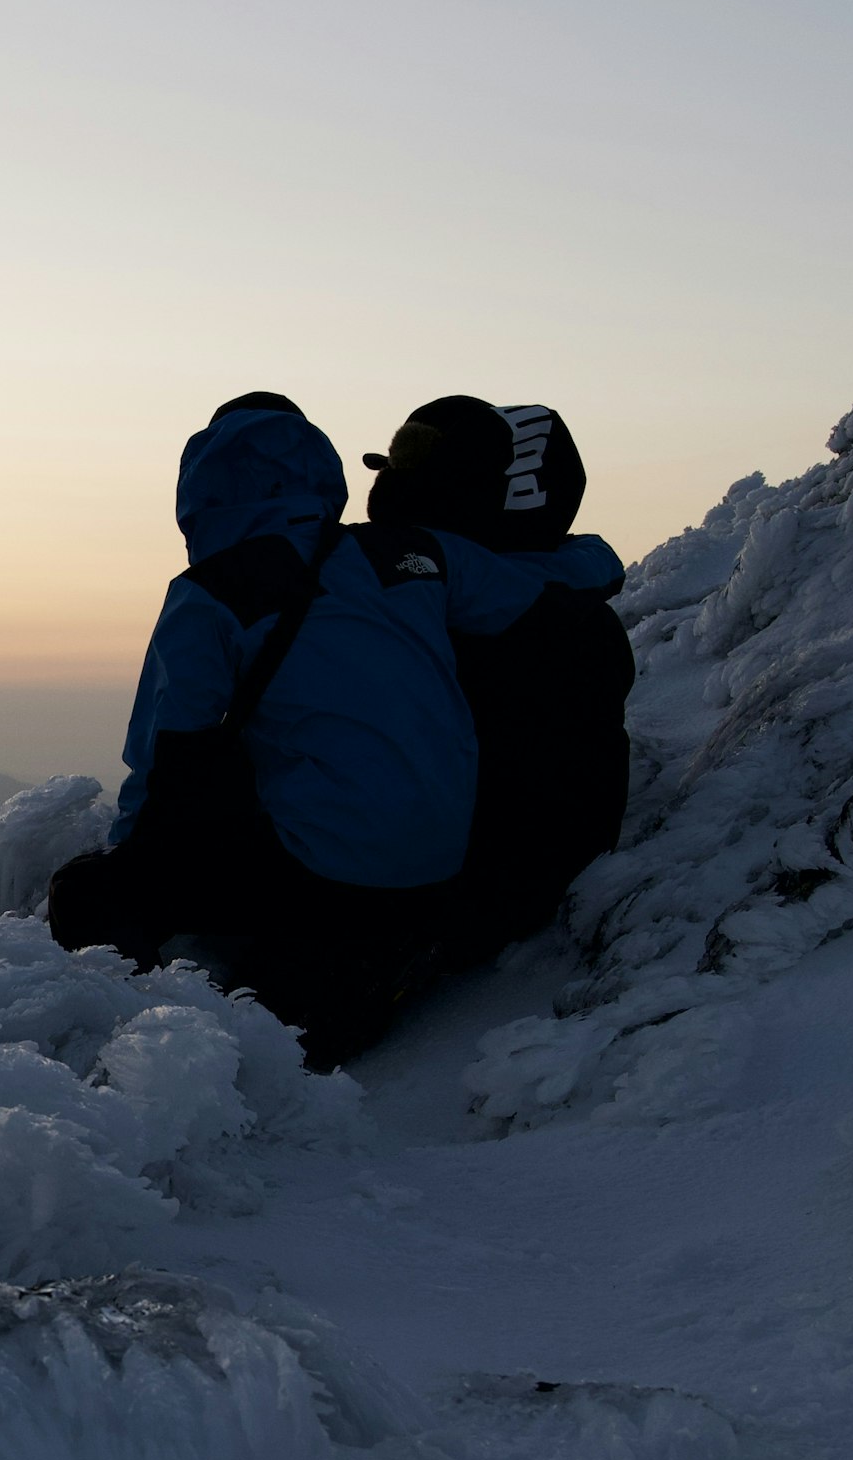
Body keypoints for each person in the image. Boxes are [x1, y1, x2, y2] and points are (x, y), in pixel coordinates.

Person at [44, 391, 631, 1066]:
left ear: (201, 490)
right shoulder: (409, 555)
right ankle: (349, 966)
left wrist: (134, 866)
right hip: (447, 860)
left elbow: (164, 759)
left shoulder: (208, 593)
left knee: (90, 889)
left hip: (329, 866)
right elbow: (546, 586)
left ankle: (123, 1033)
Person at [355, 395, 634, 962]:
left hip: (453, 905)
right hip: (504, 889)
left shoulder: (445, 623)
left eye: (415, 464)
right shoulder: (576, 615)